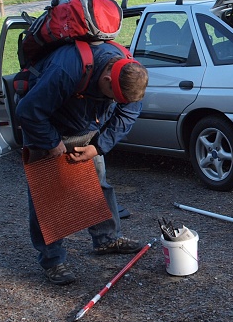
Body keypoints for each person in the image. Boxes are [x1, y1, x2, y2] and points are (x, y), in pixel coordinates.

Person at [16, 41, 149, 285]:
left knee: (98, 186)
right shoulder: (67, 69)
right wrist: (50, 142)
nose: (117, 102)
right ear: (108, 79)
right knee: (46, 196)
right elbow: (28, 110)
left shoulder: (130, 75)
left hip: (85, 131)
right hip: (45, 126)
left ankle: (106, 239)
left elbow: (128, 113)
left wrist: (97, 147)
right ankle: (52, 260)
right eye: (114, 98)